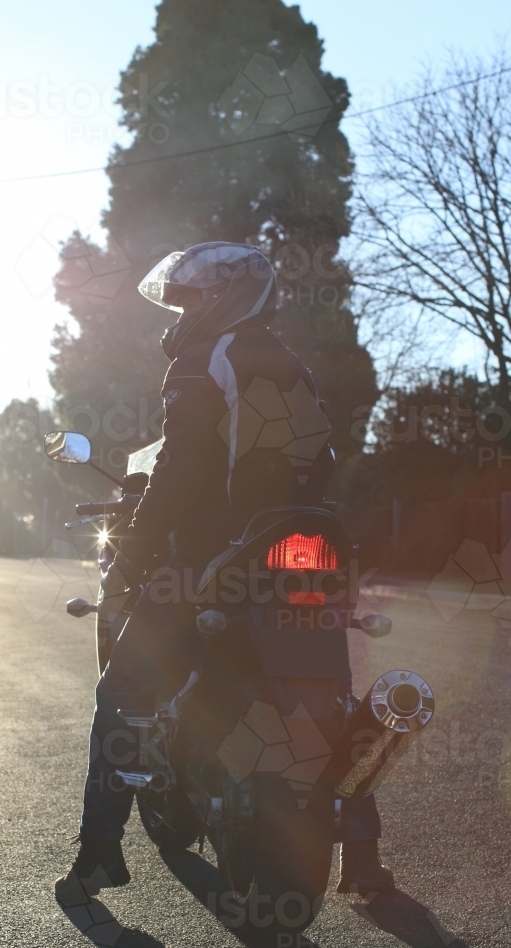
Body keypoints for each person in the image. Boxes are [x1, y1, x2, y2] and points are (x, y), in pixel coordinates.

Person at [55, 243, 394, 905]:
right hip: (305, 545)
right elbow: (320, 455)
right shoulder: (288, 361)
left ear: (224, 297)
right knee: (329, 698)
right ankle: (365, 856)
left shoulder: (200, 362)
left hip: (215, 558)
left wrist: (131, 558)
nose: (181, 313)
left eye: (191, 298)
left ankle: (99, 855)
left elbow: (179, 472)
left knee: (121, 689)